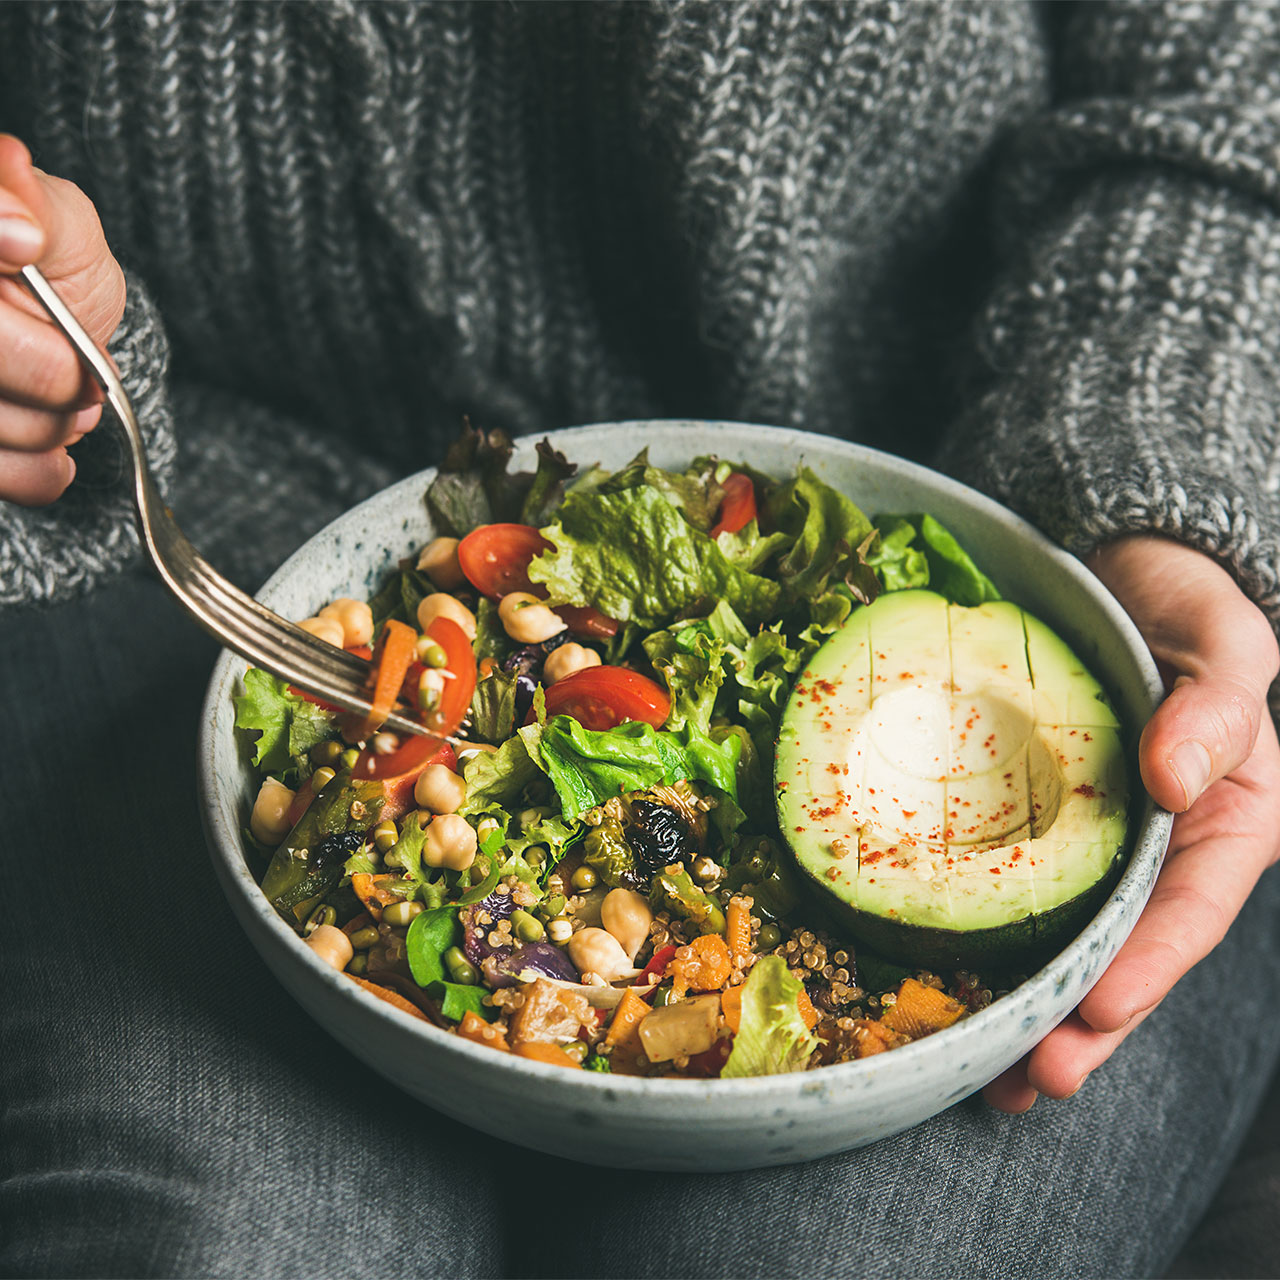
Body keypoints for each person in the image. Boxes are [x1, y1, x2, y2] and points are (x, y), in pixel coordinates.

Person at [1, 2, 1278, 1276]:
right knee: (209, 1244)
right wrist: (47, 381)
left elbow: (1219, 100)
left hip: (1001, 484)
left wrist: (1146, 483)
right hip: (179, 532)